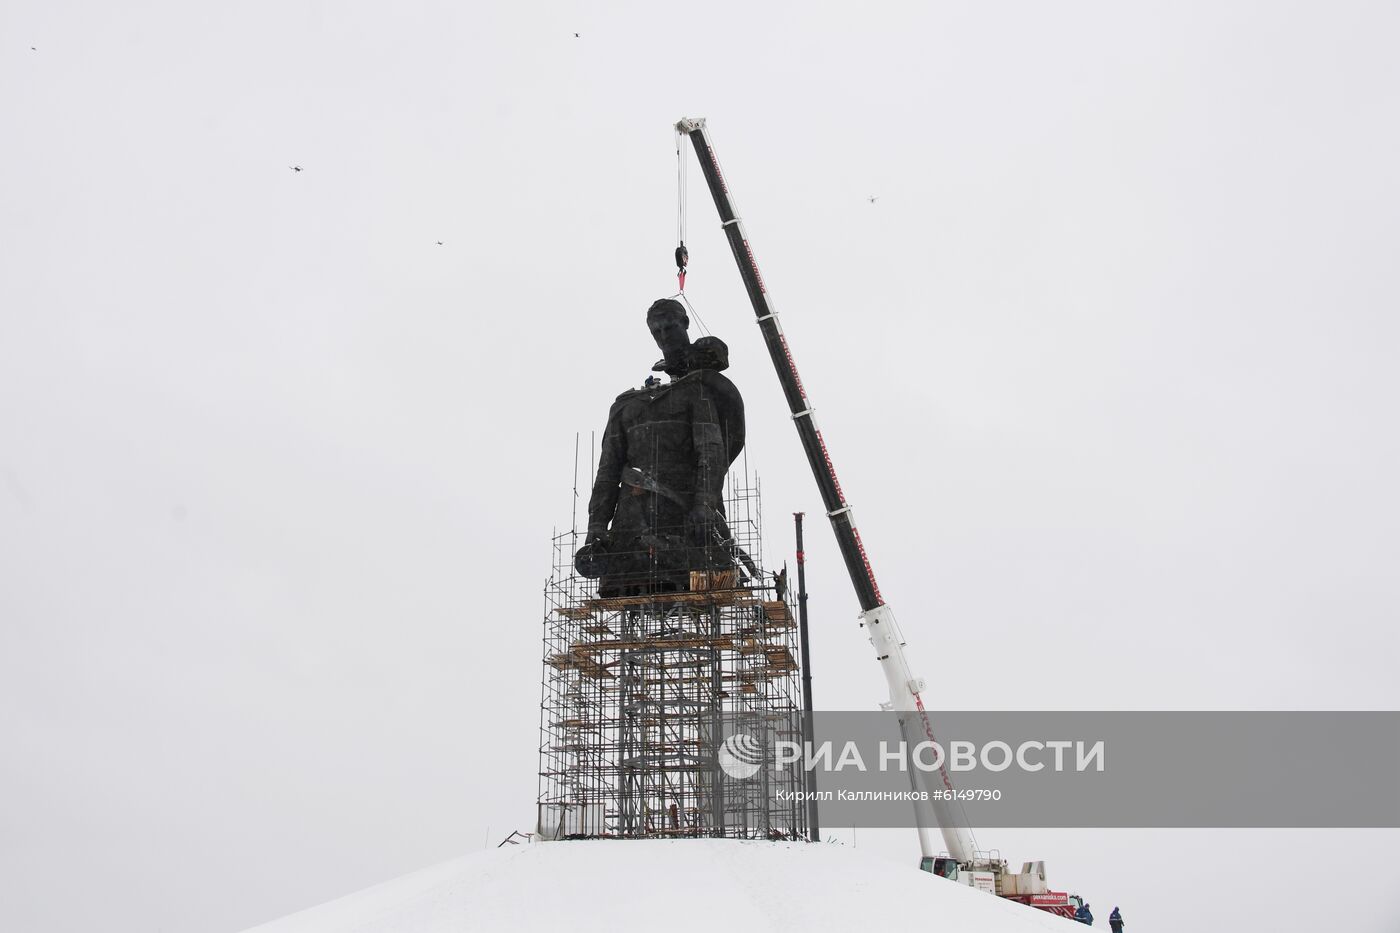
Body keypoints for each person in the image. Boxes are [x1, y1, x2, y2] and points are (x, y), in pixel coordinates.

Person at [575, 299, 745, 595]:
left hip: (683, 517)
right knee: (628, 598)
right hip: (632, 525)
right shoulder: (625, 406)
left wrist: (704, 505)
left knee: (699, 588)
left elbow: (712, 453)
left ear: (685, 324)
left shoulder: (696, 392)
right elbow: (607, 472)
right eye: (657, 331)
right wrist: (596, 528)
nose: (664, 335)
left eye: (670, 327)